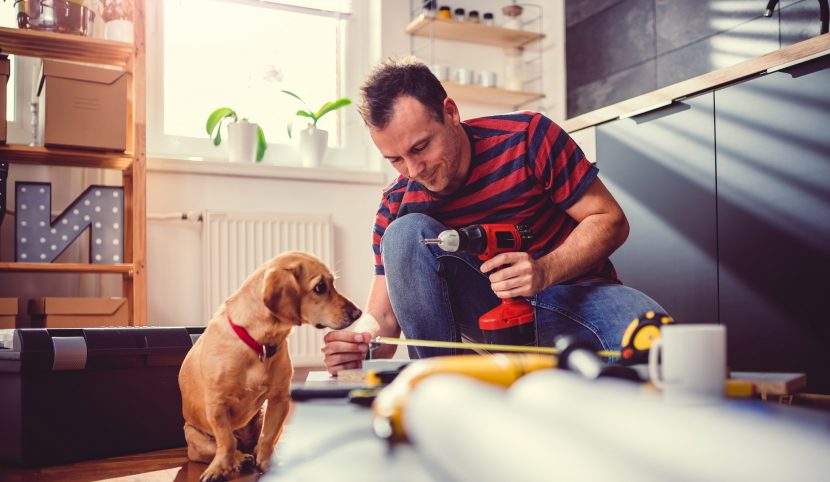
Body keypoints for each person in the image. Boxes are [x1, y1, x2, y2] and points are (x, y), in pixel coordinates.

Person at [322, 57, 666, 375]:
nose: (413, 170)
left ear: (451, 113)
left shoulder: (527, 137)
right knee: (403, 233)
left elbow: (609, 219)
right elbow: (383, 316)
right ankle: (442, 385)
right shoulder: (397, 201)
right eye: (395, 159)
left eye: (420, 147)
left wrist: (545, 270)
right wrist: (361, 345)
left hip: (576, 298)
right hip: (487, 321)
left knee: (655, 338)